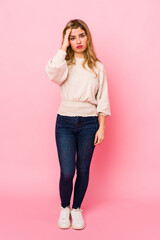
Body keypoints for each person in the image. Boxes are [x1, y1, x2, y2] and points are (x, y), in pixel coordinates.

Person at [45, 19, 111, 230]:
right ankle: (64, 208)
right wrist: (63, 47)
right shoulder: (64, 63)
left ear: (87, 36)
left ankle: (76, 209)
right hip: (64, 121)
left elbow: (103, 99)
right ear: (68, 40)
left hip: (89, 123)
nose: (78, 41)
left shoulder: (97, 67)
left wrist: (101, 126)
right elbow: (52, 73)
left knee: (83, 169)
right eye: (72, 37)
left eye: (81, 35)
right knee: (67, 171)